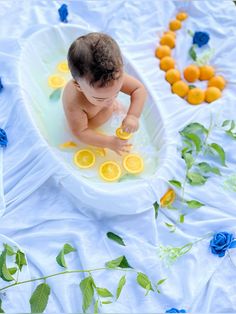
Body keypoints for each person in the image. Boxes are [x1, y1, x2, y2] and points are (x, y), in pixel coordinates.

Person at [62, 32, 147, 155]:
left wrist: (133, 116)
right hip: (92, 131)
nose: (110, 102)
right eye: (100, 99)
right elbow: (80, 132)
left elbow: (139, 89)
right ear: (78, 86)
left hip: (113, 114)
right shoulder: (74, 103)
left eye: (116, 93)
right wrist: (108, 142)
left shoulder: (113, 77)